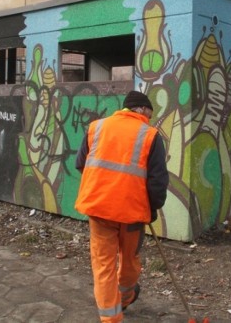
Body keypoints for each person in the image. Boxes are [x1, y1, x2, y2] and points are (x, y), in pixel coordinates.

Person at [75, 90, 170, 323]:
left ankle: (110, 318)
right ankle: (126, 297)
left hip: (99, 210)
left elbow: (81, 165)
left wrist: (102, 187)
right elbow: (157, 182)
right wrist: (153, 208)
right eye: (150, 113)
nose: (150, 118)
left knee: (103, 265)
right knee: (129, 260)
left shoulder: (96, 127)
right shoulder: (150, 135)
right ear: (142, 110)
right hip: (132, 215)